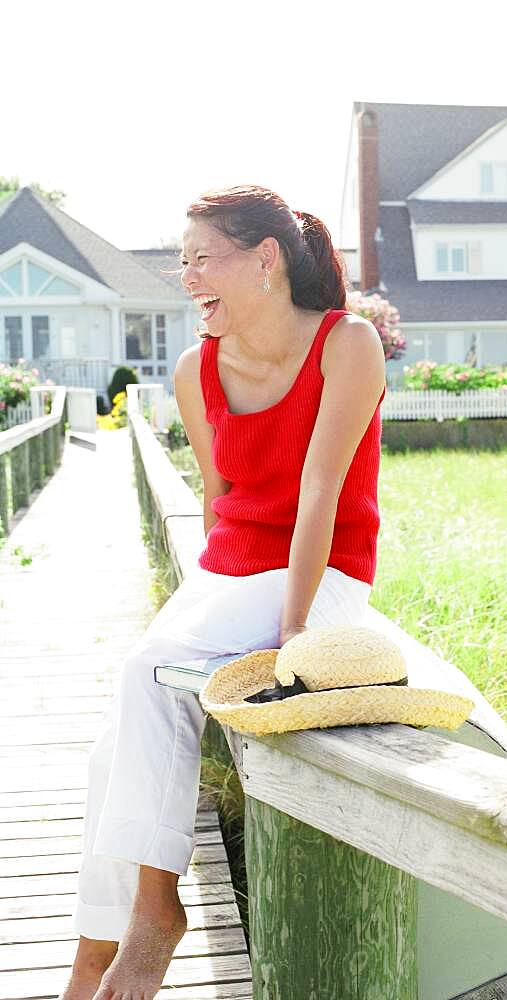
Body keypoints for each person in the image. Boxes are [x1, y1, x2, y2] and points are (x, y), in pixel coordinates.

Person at [60, 184, 387, 1000]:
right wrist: (206, 604)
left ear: (265, 259)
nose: (187, 275)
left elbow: (320, 493)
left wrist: (295, 634)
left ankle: (155, 914)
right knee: (114, 751)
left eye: (203, 257)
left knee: (146, 677)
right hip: (230, 576)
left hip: (324, 577)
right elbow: (218, 504)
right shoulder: (192, 366)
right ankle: (91, 957)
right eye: (183, 261)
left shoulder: (346, 344)